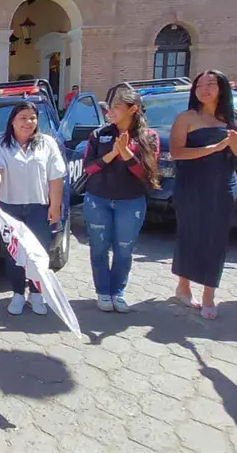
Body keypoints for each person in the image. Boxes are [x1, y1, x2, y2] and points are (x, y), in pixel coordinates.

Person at [169, 70, 237, 319]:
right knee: (190, 234)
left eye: (211, 84)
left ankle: (208, 294)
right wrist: (214, 147)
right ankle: (183, 288)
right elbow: (177, 153)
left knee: (215, 240)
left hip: (223, 186)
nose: (204, 89)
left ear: (222, 88)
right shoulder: (187, 118)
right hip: (191, 185)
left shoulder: (233, 117)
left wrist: (234, 142)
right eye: (200, 85)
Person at [0, 101, 65, 316]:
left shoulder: (47, 143)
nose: (28, 122)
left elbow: (56, 178)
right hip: (10, 209)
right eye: (23, 118)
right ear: (12, 121)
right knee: (15, 255)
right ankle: (18, 293)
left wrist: (55, 206)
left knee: (39, 254)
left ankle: (36, 295)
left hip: (40, 208)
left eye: (32, 118)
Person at [81, 90, 159, 313]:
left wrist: (125, 152)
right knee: (98, 248)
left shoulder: (148, 137)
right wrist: (112, 154)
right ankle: (103, 292)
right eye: (110, 107)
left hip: (130, 202)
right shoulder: (99, 134)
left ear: (132, 109)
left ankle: (118, 292)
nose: (110, 111)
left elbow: (146, 174)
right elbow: (89, 167)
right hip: (98, 200)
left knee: (124, 249)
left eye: (116, 107)